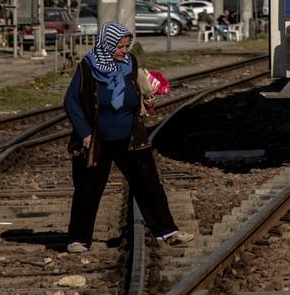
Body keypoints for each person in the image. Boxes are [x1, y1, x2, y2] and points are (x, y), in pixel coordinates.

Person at [63, 22, 193, 253]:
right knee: (88, 189)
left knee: (149, 183)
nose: (124, 50)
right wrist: (85, 133)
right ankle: (79, 239)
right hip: (98, 140)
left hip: (131, 136)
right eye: (119, 46)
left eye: (126, 45)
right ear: (107, 44)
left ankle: (167, 232)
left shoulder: (129, 63)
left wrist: (145, 101)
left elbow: (133, 91)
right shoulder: (87, 68)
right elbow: (71, 102)